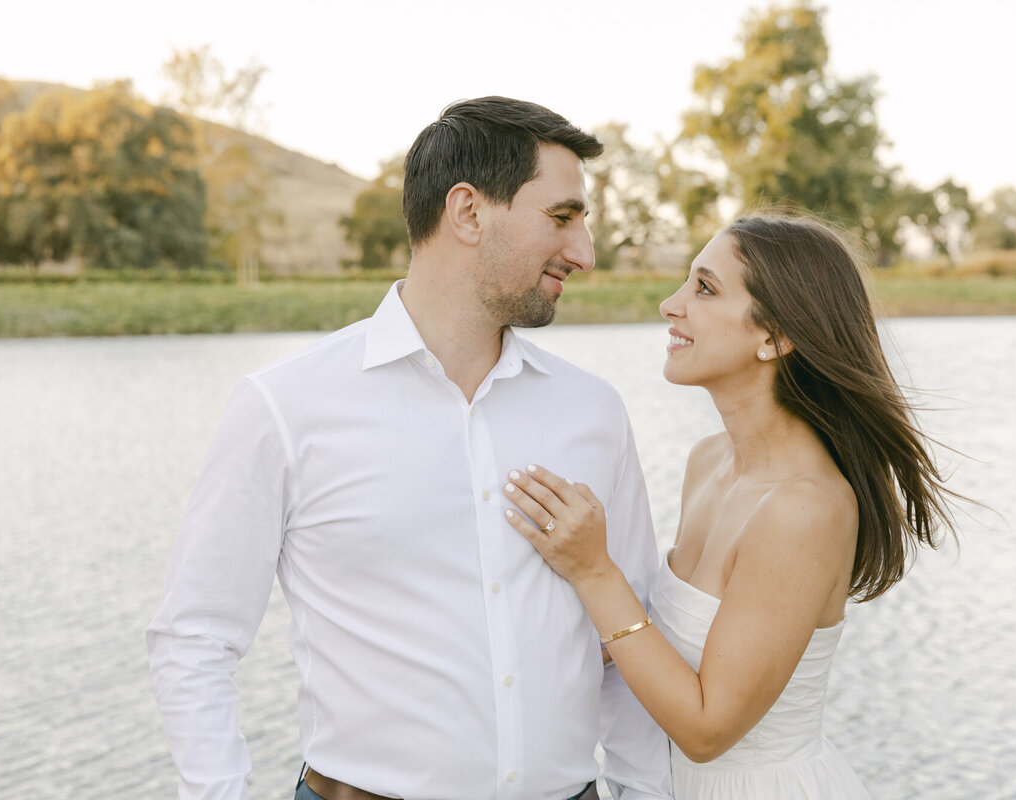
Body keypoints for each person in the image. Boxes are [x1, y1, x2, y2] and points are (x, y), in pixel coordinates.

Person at [147, 96, 674, 800]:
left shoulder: (593, 412)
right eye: (562, 217)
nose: (584, 252)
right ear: (468, 212)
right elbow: (195, 639)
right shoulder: (286, 406)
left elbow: (627, 645)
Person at [503, 212, 960, 799]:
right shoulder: (708, 461)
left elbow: (707, 728)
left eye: (705, 288)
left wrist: (594, 570)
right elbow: (660, 649)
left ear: (775, 337)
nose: (671, 305)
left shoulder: (805, 508)